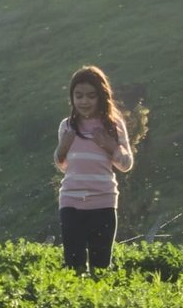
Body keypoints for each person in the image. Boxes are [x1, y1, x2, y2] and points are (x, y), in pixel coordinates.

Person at [53, 64, 138, 273]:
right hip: (70, 201)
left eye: (91, 96)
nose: (84, 101)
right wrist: (62, 148)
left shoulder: (113, 125)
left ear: (102, 96)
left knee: (101, 266)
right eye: (79, 96)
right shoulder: (67, 126)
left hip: (103, 201)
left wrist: (111, 147)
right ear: (72, 97)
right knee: (74, 265)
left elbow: (126, 164)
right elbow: (63, 166)